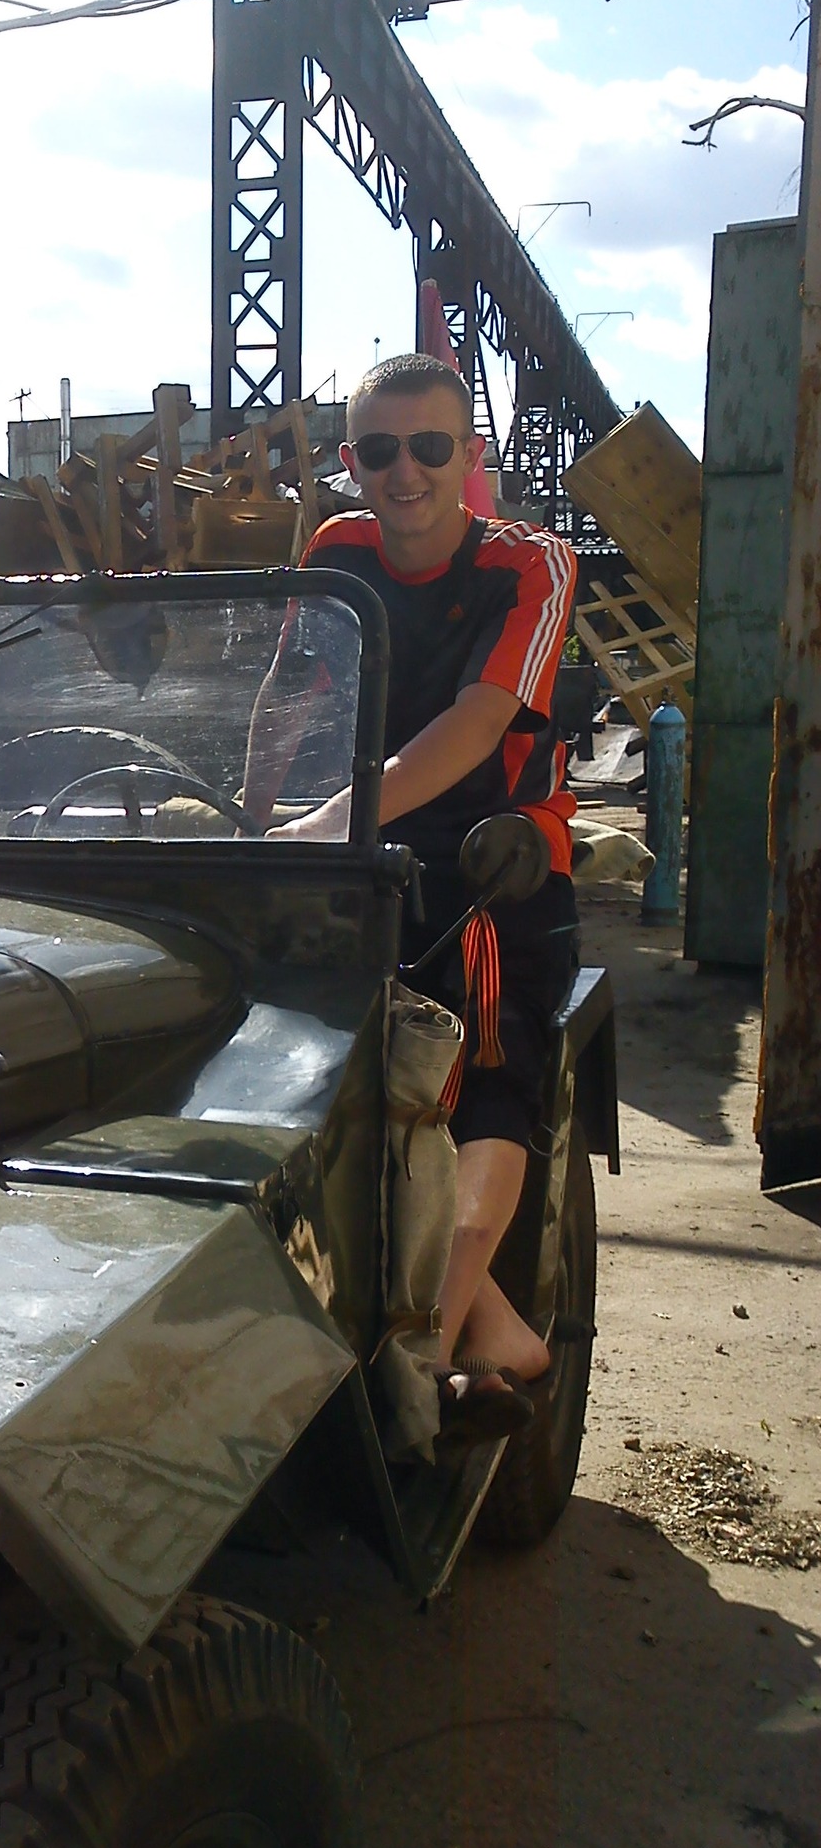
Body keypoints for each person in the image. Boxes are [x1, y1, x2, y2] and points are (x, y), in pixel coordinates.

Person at [243, 352, 579, 1441]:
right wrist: (250, 826)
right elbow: (289, 689)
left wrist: (325, 824)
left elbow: (479, 725)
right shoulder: (338, 552)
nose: (406, 472)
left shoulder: (531, 564)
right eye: (381, 450)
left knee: (484, 1074)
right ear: (352, 461)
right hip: (368, 849)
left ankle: (427, 1352)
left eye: (431, 447)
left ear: (469, 455)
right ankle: (499, 1334)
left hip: (494, 856)